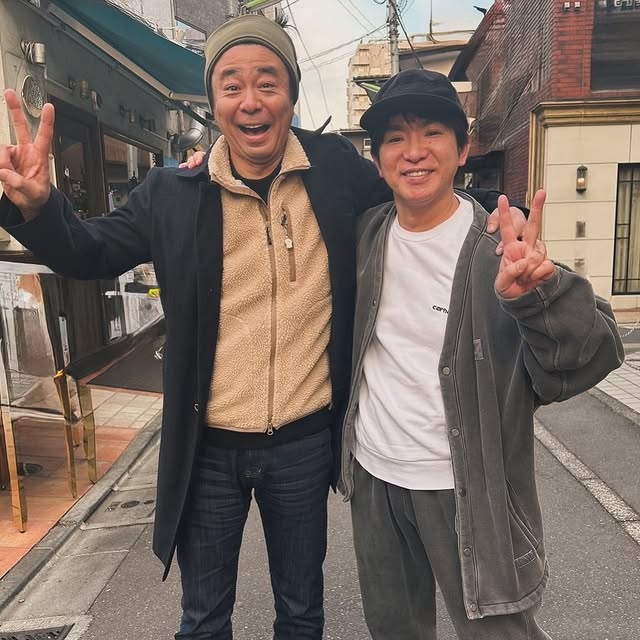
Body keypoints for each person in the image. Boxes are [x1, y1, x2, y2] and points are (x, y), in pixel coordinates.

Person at [0, 14, 525, 640]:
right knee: (203, 618)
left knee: (301, 612)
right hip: (209, 444)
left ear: (291, 94)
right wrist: (40, 208)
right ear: (214, 101)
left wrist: (502, 219)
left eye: (267, 82)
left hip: (303, 442)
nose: (251, 101)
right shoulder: (173, 193)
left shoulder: (336, 171)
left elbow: (417, 191)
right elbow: (90, 252)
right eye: (231, 85)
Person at [338, 68, 624, 640]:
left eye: (432, 133)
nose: (414, 152)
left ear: (463, 148)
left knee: (498, 631)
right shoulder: (364, 235)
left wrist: (541, 294)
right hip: (376, 478)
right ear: (377, 159)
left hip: (467, 486)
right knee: (393, 630)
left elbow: (595, 352)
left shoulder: (499, 247)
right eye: (395, 138)